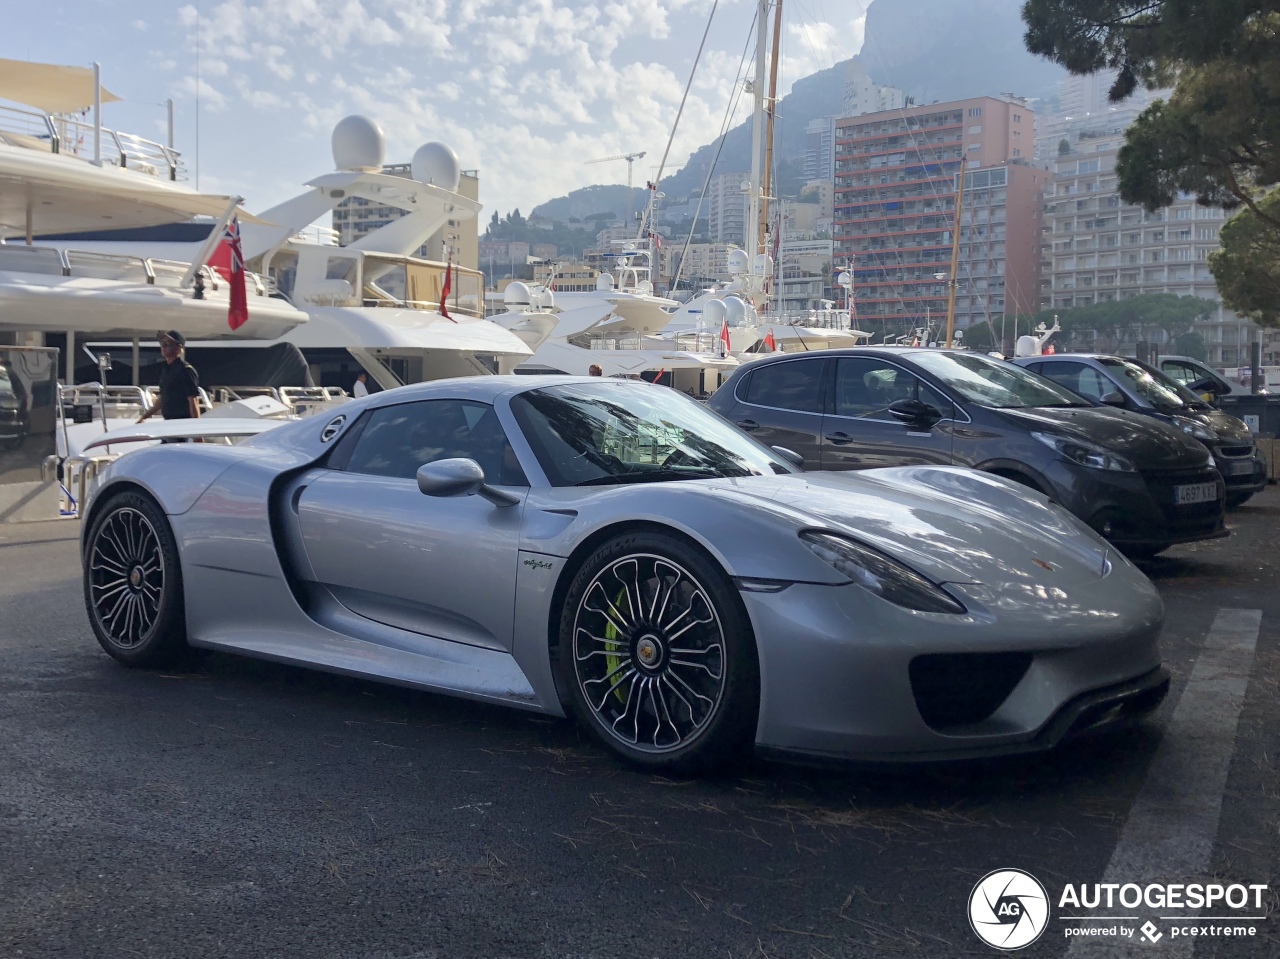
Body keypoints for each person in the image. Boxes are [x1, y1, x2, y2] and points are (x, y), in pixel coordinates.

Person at [138, 330, 200, 422]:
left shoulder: (185, 370)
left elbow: (193, 400)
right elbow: (163, 397)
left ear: (179, 347)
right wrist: (144, 417)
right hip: (168, 422)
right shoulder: (166, 369)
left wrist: (196, 431)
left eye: (167, 344)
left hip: (182, 423)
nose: (163, 347)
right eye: (162, 343)